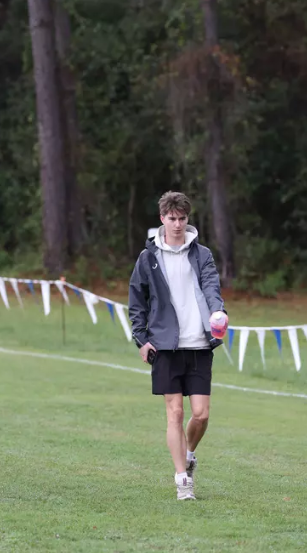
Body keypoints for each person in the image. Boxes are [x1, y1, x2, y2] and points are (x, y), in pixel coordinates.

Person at [128, 191, 227, 501]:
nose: (177, 224)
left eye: (182, 218)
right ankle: (182, 480)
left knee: (200, 415)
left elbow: (212, 286)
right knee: (174, 413)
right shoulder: (148, 258)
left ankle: (189, 453)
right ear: (162, 219)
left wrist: (217, 312)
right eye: (172, 218)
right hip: (165, 346)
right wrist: (141, 339)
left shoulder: (202, 255)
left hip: (198, 345)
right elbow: (136, 302)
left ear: (187, 219)